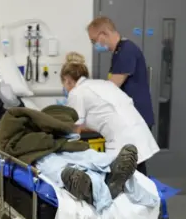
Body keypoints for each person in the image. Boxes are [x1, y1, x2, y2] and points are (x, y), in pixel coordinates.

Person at [60, 53, 159, 197]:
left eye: (64, 84)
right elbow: (104, 114)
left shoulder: (77, 92)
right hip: (138, 131)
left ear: (68, 80)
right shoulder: (102, 84)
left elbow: (74, 127)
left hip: (122, 139)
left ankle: (133, 213)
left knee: (121, 184)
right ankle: (152, 211)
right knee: (140, 179)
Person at [87, 17, 155, 175]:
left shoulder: (127, 51)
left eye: (94, 40)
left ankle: (147, 199)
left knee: (134, 168)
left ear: (103, 34)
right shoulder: (119, 51)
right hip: (130, 118)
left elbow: (112, 87)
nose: (95, 45)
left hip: (137, 119)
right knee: (132, 167)